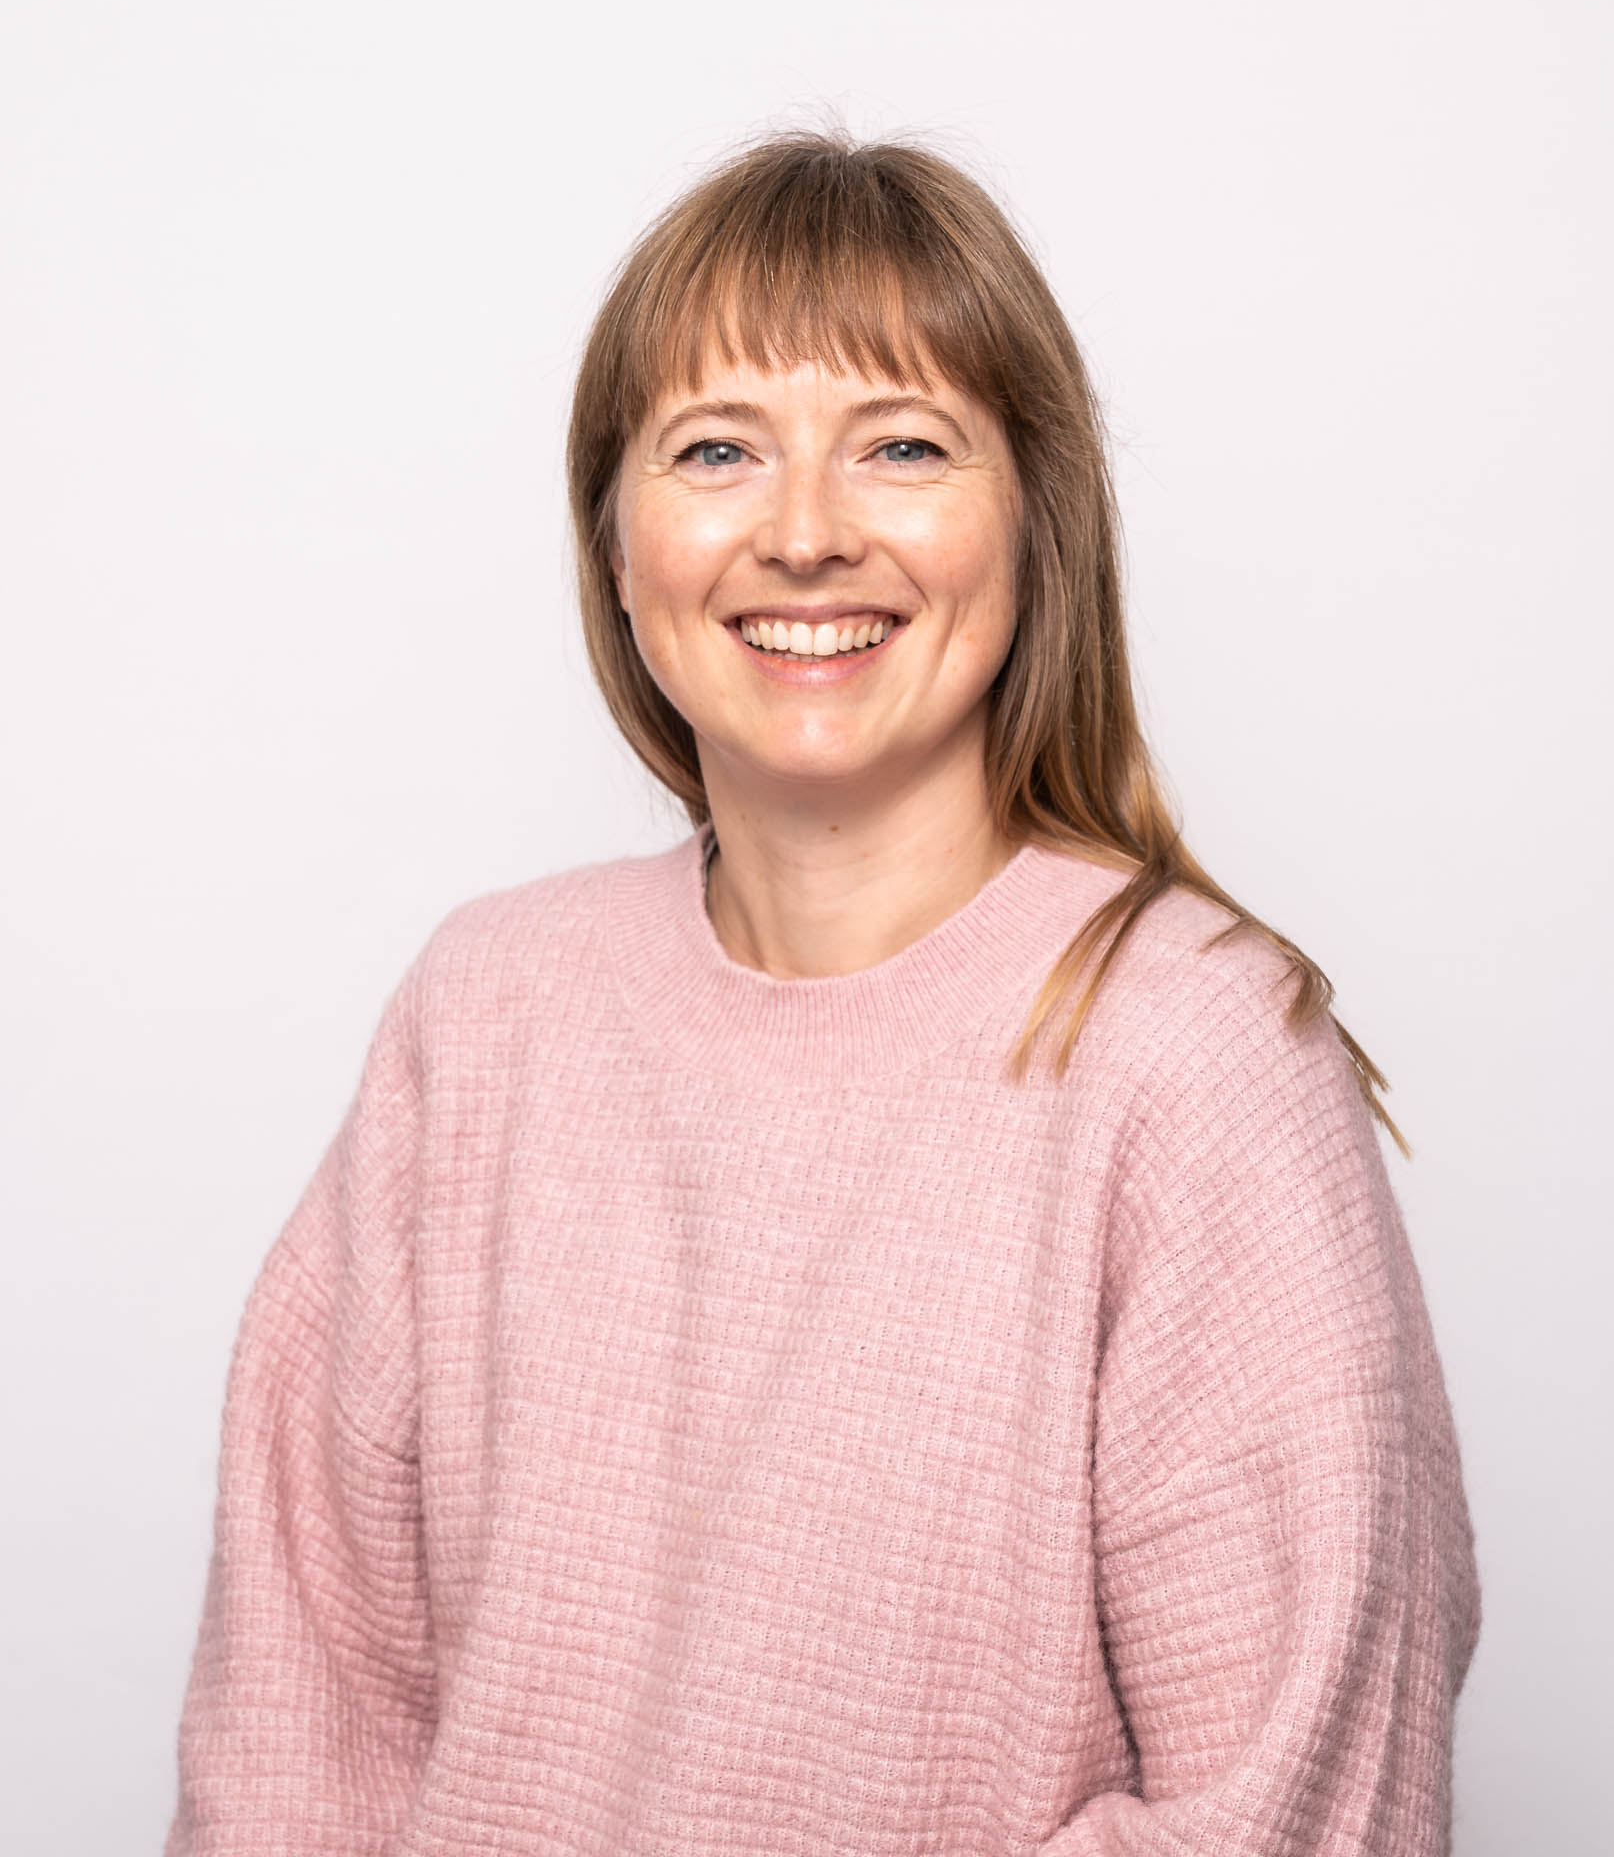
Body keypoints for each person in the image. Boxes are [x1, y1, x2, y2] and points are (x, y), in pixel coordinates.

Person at [165, 130, 1481, 1856]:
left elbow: (1293, 1806)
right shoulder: (482, 1013)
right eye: (716, 449)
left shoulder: (1197, 1054)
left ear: (1035, 523)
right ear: (615, 542)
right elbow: (298, 1721)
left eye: (902, 446)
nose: (801, 535)